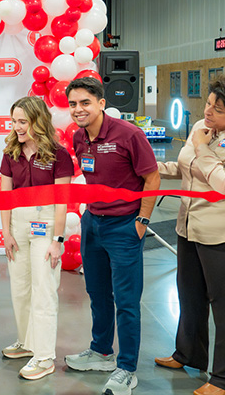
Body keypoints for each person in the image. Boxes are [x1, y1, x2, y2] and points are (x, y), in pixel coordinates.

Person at [154, 74, 225, 395]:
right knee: (189, 295)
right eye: (209, 103)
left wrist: (203, 148)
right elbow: (186, 168)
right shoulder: (201, 129)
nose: (209, 111)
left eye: (218, 109)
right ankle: (188, 354)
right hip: (191, 226)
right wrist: (149, 166)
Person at [63, 77, 160, 395]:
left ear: (101, 103)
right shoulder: (79, 137)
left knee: (127, 301)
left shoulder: (128, 134)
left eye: (85, 103)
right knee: (97, 292)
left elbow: (152, 176)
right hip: (93, 222)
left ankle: (127, 368)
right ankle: (101, 352)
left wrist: (142, 219)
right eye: (74, 104)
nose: (79, 109)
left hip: (124, 226)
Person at [0, 96, 73, 380]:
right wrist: (5, 232)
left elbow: (62, 201)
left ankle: (44, 356)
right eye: (14, 121)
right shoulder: (10, 152)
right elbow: (5, 196)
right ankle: (27, 342)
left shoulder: (58, 154)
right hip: (17, 223)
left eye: (22, 122)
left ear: (37, 122)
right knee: (20, 287)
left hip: (46, 220)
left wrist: (58, 239)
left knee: (44, 289)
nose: (17, 127)